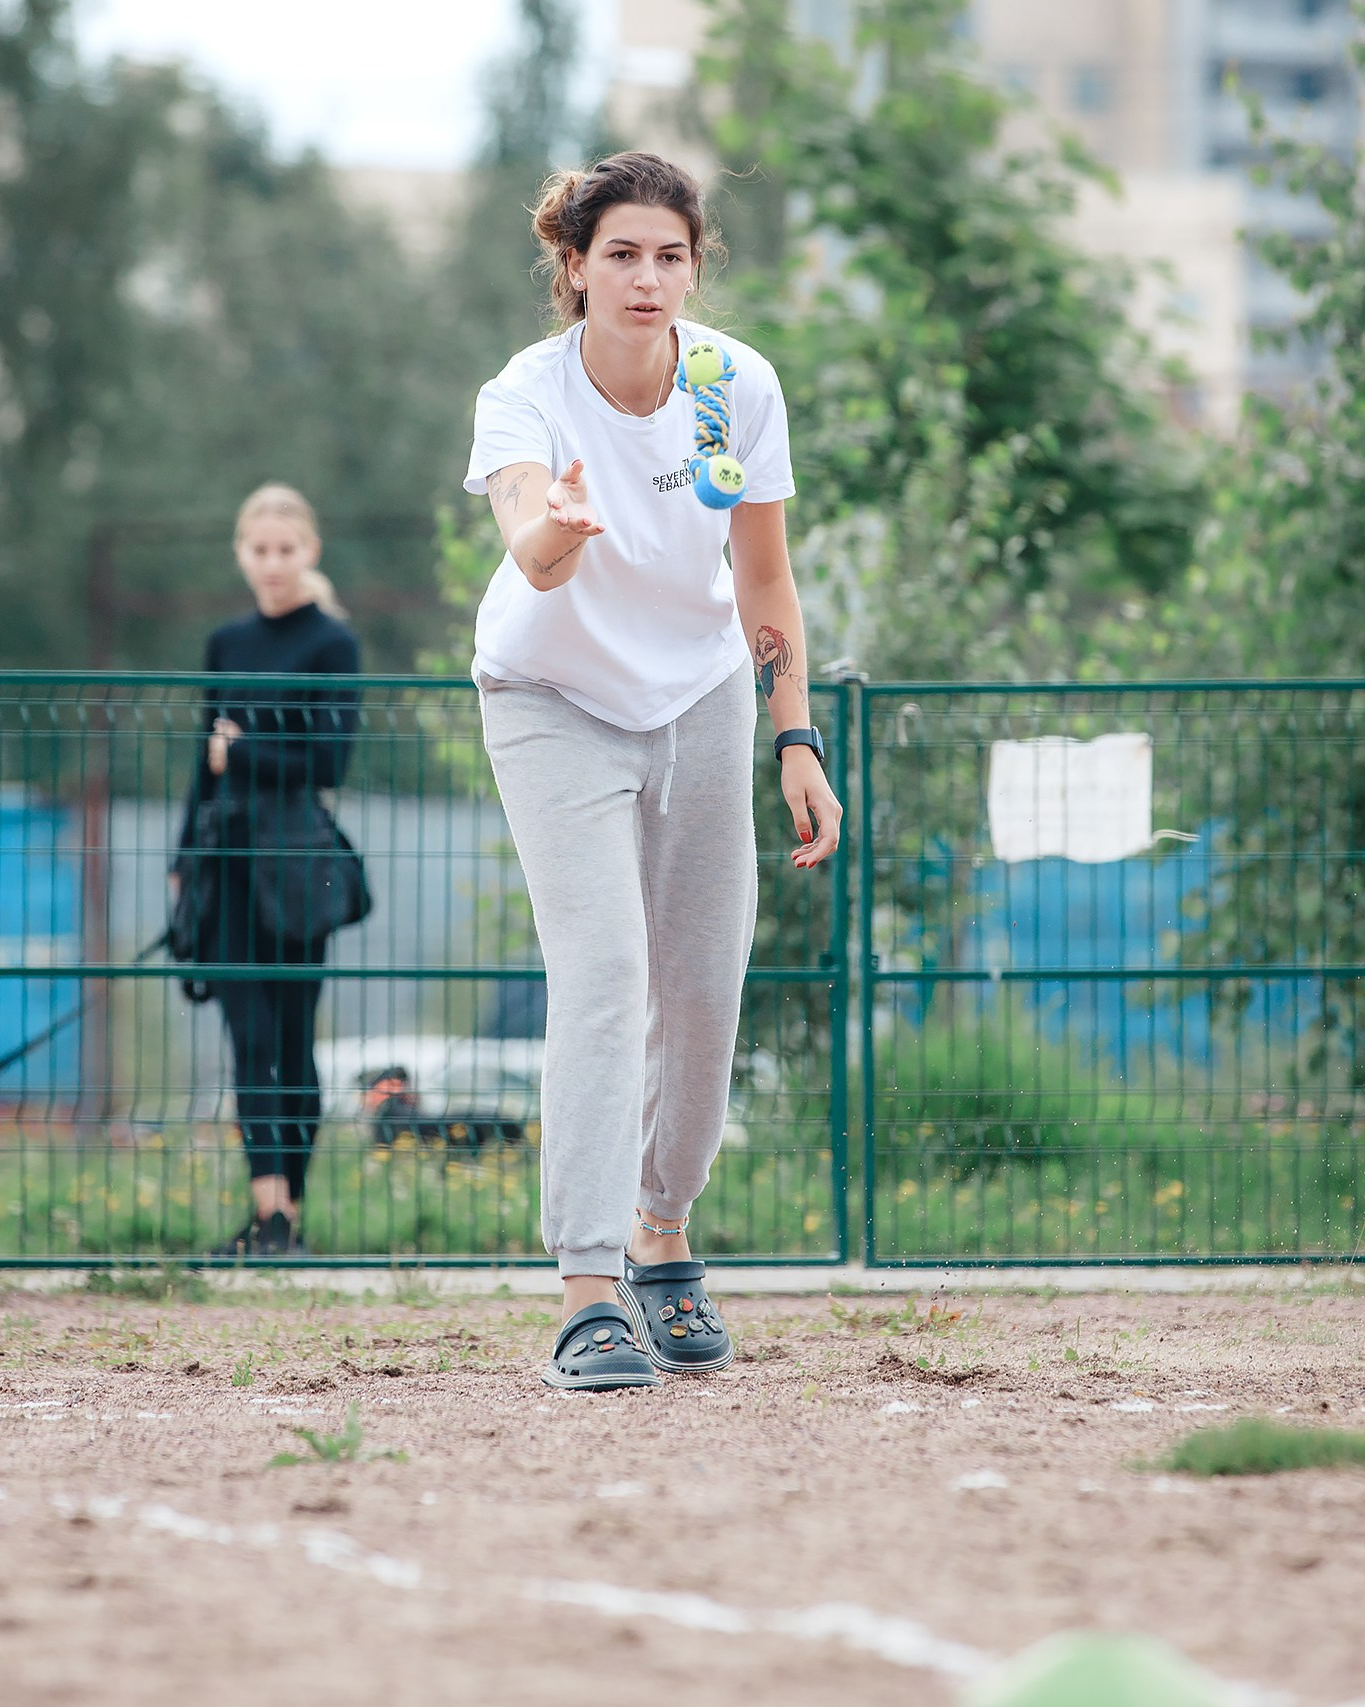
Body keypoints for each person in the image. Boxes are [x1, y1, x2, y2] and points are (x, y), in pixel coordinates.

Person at [464, 152, 841, 1390]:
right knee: (605, 974)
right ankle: (587, 1289)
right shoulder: (525, 394)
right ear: (574, 266)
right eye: (620, 254)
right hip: (552, 697)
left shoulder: (737, 384)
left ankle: (661, 1236)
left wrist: (796, 737)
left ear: (694, 266)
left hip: (699, 693)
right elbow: (529, 546)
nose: (646, 277)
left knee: (702, 986)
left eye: (669, 256)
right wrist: (558, 527)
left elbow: (764, 576)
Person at [175, 483, 364, 1257]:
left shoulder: (332, 643)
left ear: (309, 551)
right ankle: (270, 1218)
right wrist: (182, 859)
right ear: (242, 553)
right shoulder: (225, 642)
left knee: (292, 1037)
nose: (273, 563)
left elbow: (329, 762)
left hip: (296, 867)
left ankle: (289, 1215)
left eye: (286, 549)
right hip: (224, 861)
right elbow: (203, 764)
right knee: (248, 1036)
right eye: (260, 550)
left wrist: (243, 749)